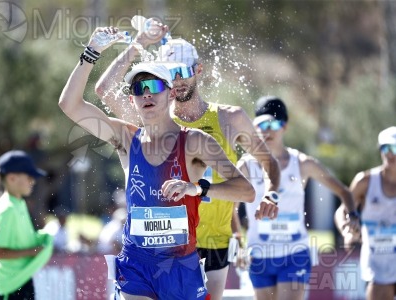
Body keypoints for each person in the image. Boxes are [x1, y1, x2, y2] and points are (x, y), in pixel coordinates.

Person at [59, 26, 256, 299]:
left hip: (180, 265)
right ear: (132, 99)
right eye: (139, 89)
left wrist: (197, 188)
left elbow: (246, 190)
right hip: (136, 264)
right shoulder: (125, 138)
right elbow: (70, 105)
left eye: (154, 86)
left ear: (171, 93)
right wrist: (92, 52)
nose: (147, 94)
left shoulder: (194, 142)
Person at [236, 96, 360, 300]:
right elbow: (229, 206)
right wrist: (237, 243)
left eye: (274, 123)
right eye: (261, 124)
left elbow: (344, 192)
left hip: (294, 254)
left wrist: (352, 214)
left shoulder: (302, 164)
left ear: (285, 126)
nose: (267, 130)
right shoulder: (247, 165)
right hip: (259, 254)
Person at [335, 126, 396, 300]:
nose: (390, 154)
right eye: (385, 148)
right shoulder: (366, 181)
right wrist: (347, 232)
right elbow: (342, 211)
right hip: (377, 266)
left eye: (395, 148)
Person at [0, 150, 54, 300]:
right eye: (29, 176)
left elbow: (20, 239)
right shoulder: (7, 209)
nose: (33, 181)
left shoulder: (19, 203)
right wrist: (32, 251)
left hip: (22, 278)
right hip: (11, 287)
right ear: (12, 178)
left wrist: (40, 238)